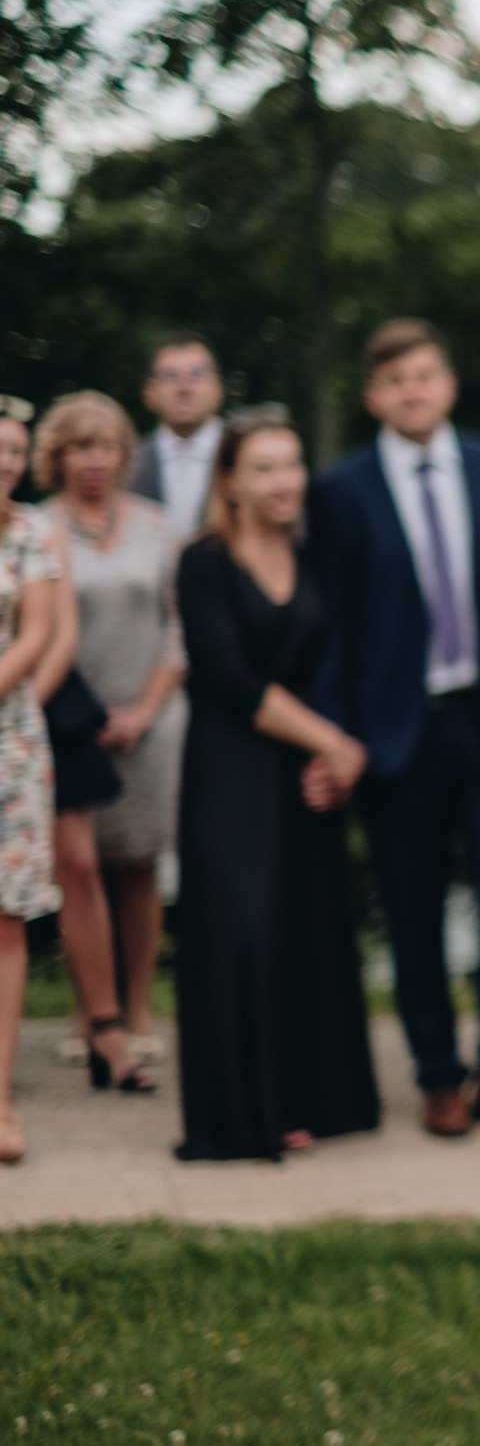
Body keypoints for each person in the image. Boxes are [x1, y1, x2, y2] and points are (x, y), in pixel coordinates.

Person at [308, 318, 480, 1139]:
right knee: (412, 907)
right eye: (395, 381)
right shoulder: (342, 489)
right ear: (373, 397)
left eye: (423, 375)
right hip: (399, 732)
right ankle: (438, 1076)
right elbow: (334, 623)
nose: (412, 390)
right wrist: (338, 733)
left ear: (448, 384)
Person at [172, 408, 380, 1161]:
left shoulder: (314, 551)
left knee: (306, 926)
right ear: (230, 481)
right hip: (230, 764)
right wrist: (335, 743)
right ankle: (240, 1112)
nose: (284, 480)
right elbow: (230, 677)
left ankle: (307, 1102)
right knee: (244, 929)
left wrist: (325, 755)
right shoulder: (202, 562)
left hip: (301, 767)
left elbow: (333, 659)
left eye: (291, 463)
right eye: (263, 468)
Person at [36, 392, 186, 1074]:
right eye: (79, 447)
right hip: (67, 721)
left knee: (139, 864)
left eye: (105, 447)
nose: (93, 460)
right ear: (57, 456)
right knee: (79, 868)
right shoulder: (37, 527)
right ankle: (89, 1010)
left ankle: (139, 1006)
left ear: (124, 454)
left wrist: (145, 708)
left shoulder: (159, 527)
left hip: (150, 719)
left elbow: (182, 627)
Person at [0, 397, 63, 1164]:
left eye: (15, 451)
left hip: (9, 742)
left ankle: (1, 1095)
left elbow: (39, 631)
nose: (4, 462)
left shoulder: (34, 531)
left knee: (5, 920)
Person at [129, 334, 225, 534]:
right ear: (149, 393)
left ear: (218, 389)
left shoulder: (244, 456)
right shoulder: (128, 462)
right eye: (170, 376)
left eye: (197, 374)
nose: (184, 387)